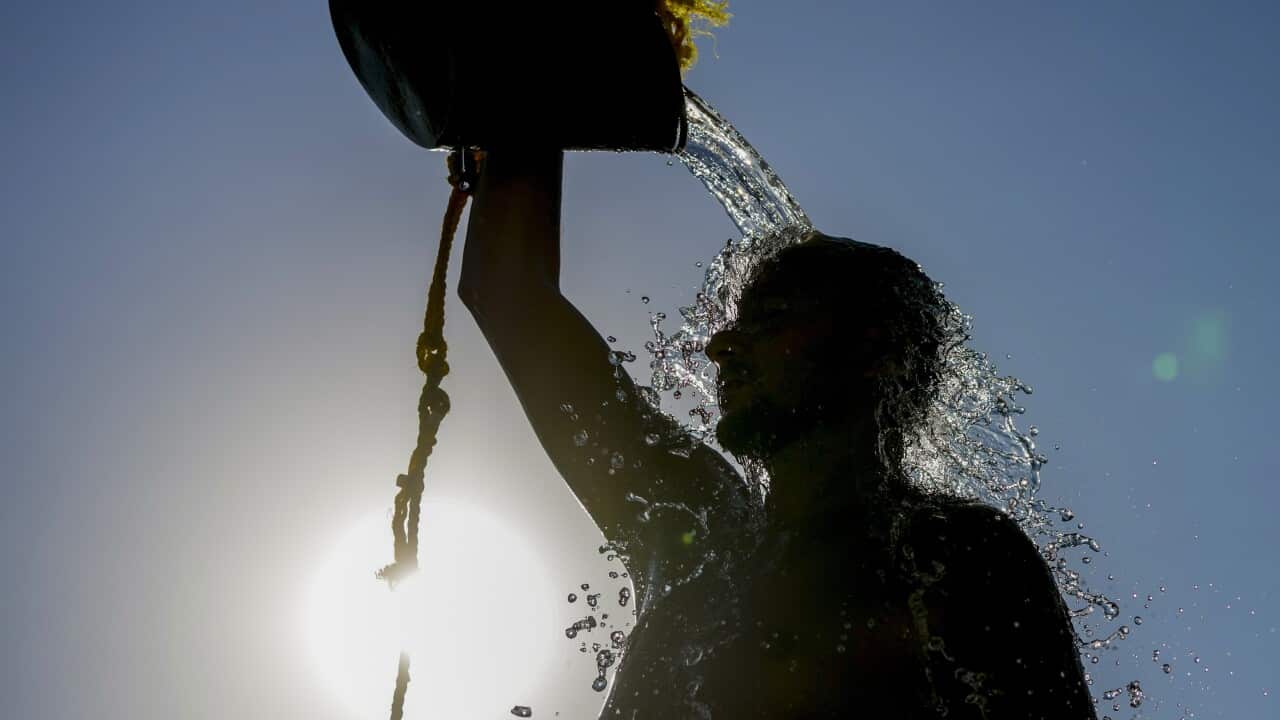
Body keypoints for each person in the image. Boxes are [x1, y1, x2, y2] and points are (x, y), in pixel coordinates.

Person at [458, 148, 1096, 719]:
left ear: (876, 353)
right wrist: (525, 97)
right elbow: (509, 294)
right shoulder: (691, 520)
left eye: (774, 320)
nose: (722, 345)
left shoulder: (955, 553)